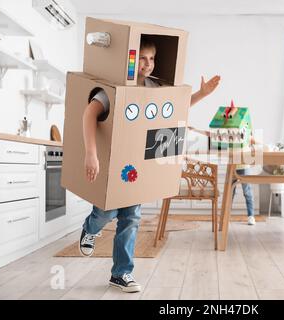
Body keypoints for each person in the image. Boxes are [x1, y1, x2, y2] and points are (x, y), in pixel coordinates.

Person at [79, 36, 220, 293]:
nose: (147, 64)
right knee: (106, 213)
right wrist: (91, 153)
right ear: (129, 59)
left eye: (151, 58)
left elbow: (175, 107)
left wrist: (202, 94)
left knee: (131, 218)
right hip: (111, 165)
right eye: (141, 58)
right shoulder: (113, 88)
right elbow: (90, 112)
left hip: (138, 167)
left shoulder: (156, 86)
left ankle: (121, 274)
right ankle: (90, 227)